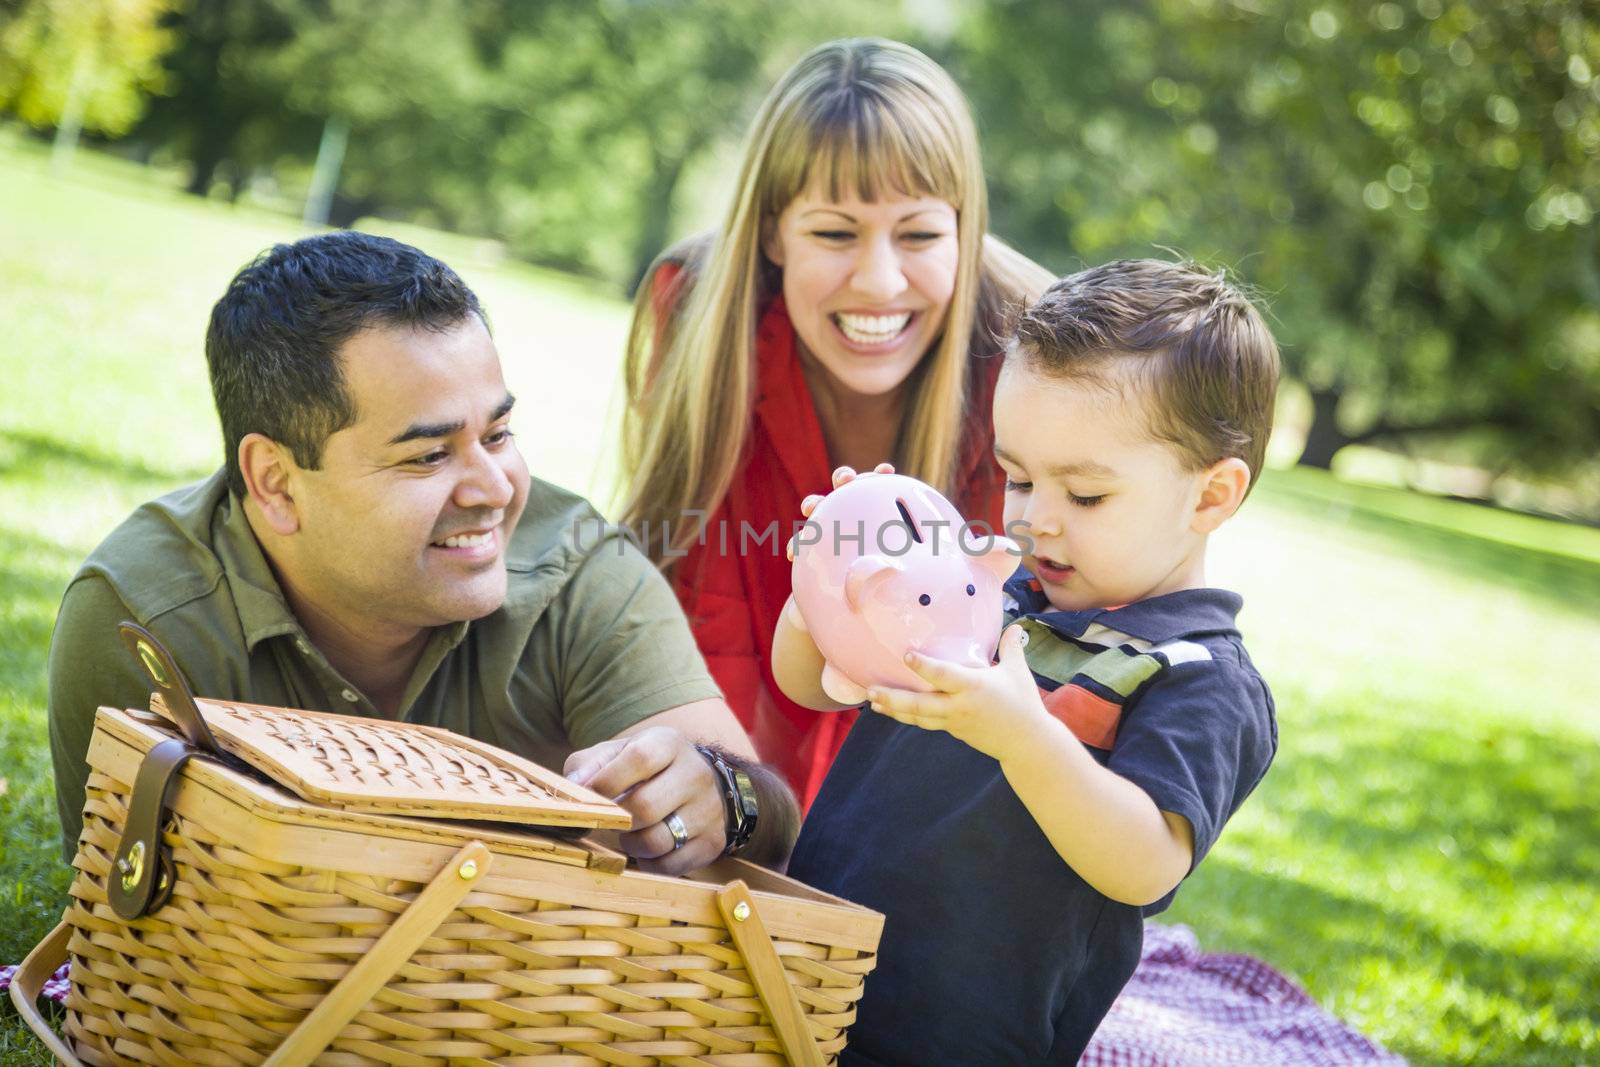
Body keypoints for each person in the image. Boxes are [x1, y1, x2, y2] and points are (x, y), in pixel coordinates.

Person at [47, 231, 797, 875]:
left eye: (498, 435)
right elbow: (135, 916)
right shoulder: (144, 616)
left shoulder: (579, 571)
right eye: (430, 455)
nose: (493, 488)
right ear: (275, 482)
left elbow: (772, 822)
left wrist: (723, 798)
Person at [772, 258, 1282, 1064]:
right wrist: (826, 593)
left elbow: (1145, 863)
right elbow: (810, 683)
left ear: (1211, 495)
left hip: (959, 1037)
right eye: (1016, 478)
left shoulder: (1195, 674)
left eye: (1083, 495)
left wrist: (1023, 737)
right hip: (803, 977)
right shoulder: (990, 595)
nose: (1036, 519)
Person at [618, 37, 1054, 808]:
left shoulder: (1033, 351)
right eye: (834, 232)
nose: (880, 280)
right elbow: (697, 595)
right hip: (737, 750)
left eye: (919, 234)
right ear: (773, 231)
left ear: (966, 229)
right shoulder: (700, 309)